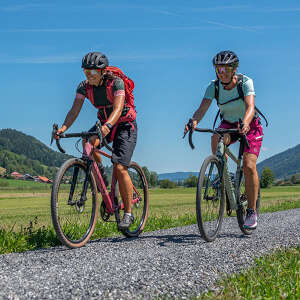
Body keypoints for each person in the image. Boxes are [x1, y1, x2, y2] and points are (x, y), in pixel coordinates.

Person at [55, 51, 137, 229]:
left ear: (102, 71)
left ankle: (129, 213)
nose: (89, 76)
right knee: (88, 144)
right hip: (104, 123)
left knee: (120, 166)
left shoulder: (116, 83)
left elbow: (118, 108)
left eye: (92, 72)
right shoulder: (84, 87)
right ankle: (102, 181)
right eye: (86, 72)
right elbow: (74, 110)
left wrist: (108, 125)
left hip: (124, 124)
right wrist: (63, 128)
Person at [184, 50, 264, 230]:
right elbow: (202, 108)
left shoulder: (245, 82)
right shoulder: (213, 87)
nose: (222, 73)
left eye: (226, 69)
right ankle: (225, 176)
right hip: (229, 124)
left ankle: (251, 210)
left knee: (249, 165)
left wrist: (245, 122)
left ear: (234, 69)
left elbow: (250, 107)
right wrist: (194, 121)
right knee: (216, 138)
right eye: (218, 69)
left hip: (249, 124)